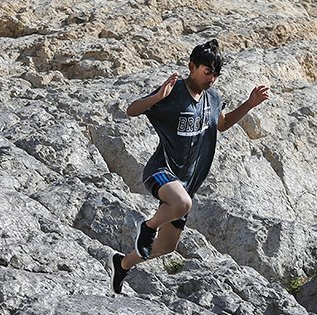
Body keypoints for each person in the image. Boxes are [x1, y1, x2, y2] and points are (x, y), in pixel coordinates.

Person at [109, 39, 270, 294]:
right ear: (192, 66)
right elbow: (131, 110)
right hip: (161, 172)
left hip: (186, 183)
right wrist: (157, 97)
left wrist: (249, 104)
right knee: (182, 204)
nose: (211, 79)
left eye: (215, 75)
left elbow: (223, 123)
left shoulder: (213, 98)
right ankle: (148, 227)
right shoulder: (174, 93)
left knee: (166, 247)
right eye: (207, 73)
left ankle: (123, 263)